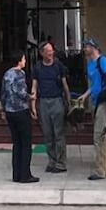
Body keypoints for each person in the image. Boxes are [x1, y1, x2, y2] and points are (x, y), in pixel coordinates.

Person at [78, 37, 106, 181]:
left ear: (93, 47)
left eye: (86, 46)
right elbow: (93, 85)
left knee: (99, 136)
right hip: (94, 101)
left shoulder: (103, 61)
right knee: (104, 135)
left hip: (103, 101)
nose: (84, 49)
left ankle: (100, 170)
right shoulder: (90, 65)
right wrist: (85, 96)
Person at [31, 42, 71, 173]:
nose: (50, 53)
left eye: (51, 50)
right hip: (43, 102)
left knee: (59, 133)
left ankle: (61, 163)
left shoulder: (59, 66)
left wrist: (69, 102)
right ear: (42, 53)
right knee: (47, 134)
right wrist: (33, 105)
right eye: (48, 51)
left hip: (57, 101)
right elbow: (34, 87)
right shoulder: (37, 68)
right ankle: (51, 161)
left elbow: (65, 85)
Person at [0, 49, 38, 183]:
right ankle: (25, 175)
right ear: (19, 60)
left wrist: (3, 109)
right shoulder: (20, 74)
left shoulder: (7, 74)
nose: (25, 61)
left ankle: (16, 174)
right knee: (26, 143)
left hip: (10, 111)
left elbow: (3, 93)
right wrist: (30, 97)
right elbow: (20, 92)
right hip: (21, 110)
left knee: (16, 143)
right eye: (24, 59)